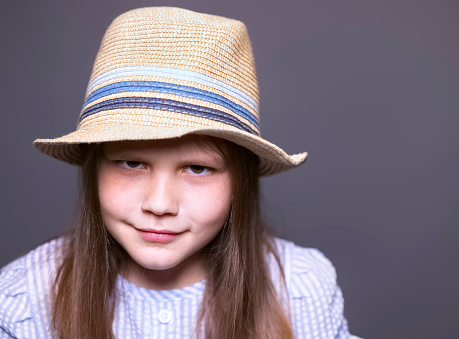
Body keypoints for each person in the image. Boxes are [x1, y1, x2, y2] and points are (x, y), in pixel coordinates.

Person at [0, 7, 359, 339]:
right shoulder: (26, 298)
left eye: (198, 168)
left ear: (239, 181)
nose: (159, 204)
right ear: (94, 166)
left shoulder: (299, 287)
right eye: (131, 163)